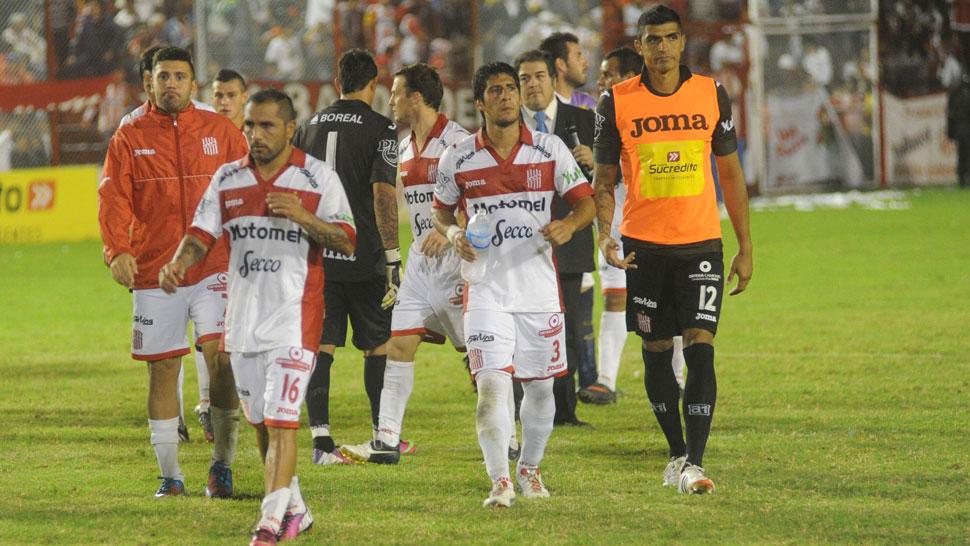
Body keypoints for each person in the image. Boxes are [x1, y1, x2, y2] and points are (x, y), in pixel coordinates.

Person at [159, 88, 356, 546]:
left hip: (295, 320)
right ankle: (296, 509)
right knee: (264, 423)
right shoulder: (228, 178)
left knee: (284, 421)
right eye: (249, 125)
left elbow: (347, 241)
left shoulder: (317, 178)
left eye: (266, 125)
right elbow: (200, 235)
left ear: (290, 129)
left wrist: (304, 217)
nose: (255, 134)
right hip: (244, 324)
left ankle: (269, 524)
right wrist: (179, 263)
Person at [593, 6, 753, 495]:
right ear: (638, 46)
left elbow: (731, 174)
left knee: (701, 346)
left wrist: (745, 245)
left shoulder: (711, 93)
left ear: (683, 42)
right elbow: (604, 180)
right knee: (657, 350)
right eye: (652, 40)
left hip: (701, 244)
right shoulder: (616, 102)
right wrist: (604, 234)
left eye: (669, 38)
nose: (661, 48)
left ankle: (695, 464)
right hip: (644, 247)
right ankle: (676, 452)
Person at [432, 62, 595, 508]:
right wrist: (454, 234)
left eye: (510, 88)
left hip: (539, 293)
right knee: (491, 387)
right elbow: (440, 211)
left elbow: (585, 203)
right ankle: (499, 481)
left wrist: (568, 226)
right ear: (479, 103)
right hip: (485, 291)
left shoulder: (549, 149)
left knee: (541, 389)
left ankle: (530, 468)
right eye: (495, 90)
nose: (506, 96)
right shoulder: (458, 157)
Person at [99, 46, 248, 498]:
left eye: (179, 77)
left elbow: (250, 187)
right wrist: (117, 251)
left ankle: (222, 465)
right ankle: (171, 475)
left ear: (192, 84)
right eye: (163, 76)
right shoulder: (129, 136)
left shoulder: (221, 131)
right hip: (155, 270)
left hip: (214, 265)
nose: (171, 84)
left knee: (222, 359)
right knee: (163, 369)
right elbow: (113, 197)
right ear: (150, 82)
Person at [340, 63, 470, 464]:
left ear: (416, 97)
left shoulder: (458, 141)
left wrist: (451, 228)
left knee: (478, 356)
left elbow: (481, 199)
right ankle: (386, 441)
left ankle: (509, 435)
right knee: (398, 343)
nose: (390, 100)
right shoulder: (404, 146)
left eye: (396, 93)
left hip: (456, 263)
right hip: (420, 265)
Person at [292, 49, 401, 465]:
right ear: (373, 85)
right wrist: (392, 255)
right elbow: (383, 192)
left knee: (322, 344)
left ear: (338, 83)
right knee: (377, 345)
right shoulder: (382, 127)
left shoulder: (306, 127)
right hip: (363, 251)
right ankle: (381, 435)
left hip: (318, 253)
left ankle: (321, 442)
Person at [580, 46, 688, 405]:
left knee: (668, 303)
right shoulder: (601, 114)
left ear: (629, 77)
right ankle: (605, 381)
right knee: (614, 298)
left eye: (607, 74)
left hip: (657, 223)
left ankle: (676, 378)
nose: (600, 81)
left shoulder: (654, 111)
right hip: (616, 220)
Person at [514, 49, 596, 426]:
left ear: (553, 78)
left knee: (567, 327)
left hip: (570, 239)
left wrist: (596, 162)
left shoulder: (584, 120)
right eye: (524, 78)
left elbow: (611, 177)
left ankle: (564, 411)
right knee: (520, 328)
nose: (532, 84)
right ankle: (521, 407)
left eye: (539, 76)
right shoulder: (504, 125)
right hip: (518, 246)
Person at [120, 46, 215, 128]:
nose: (156, 92)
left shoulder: (209, 116)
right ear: (143, 85)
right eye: (150, 86)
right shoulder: (130, 123)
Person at [539, 32, 597, 110]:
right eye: (578, 57)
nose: (586, 64)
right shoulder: (540, 108)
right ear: (561, 64)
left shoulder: (588, 104)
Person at [947, 72, 970, 188]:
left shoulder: (954, 95)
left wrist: (950, 133)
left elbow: (950, 115)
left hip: (959, 129)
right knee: (967, 155)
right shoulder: (966, 95)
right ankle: (966, 177)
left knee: (961, 155)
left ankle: (961, 178)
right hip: (967, 129)